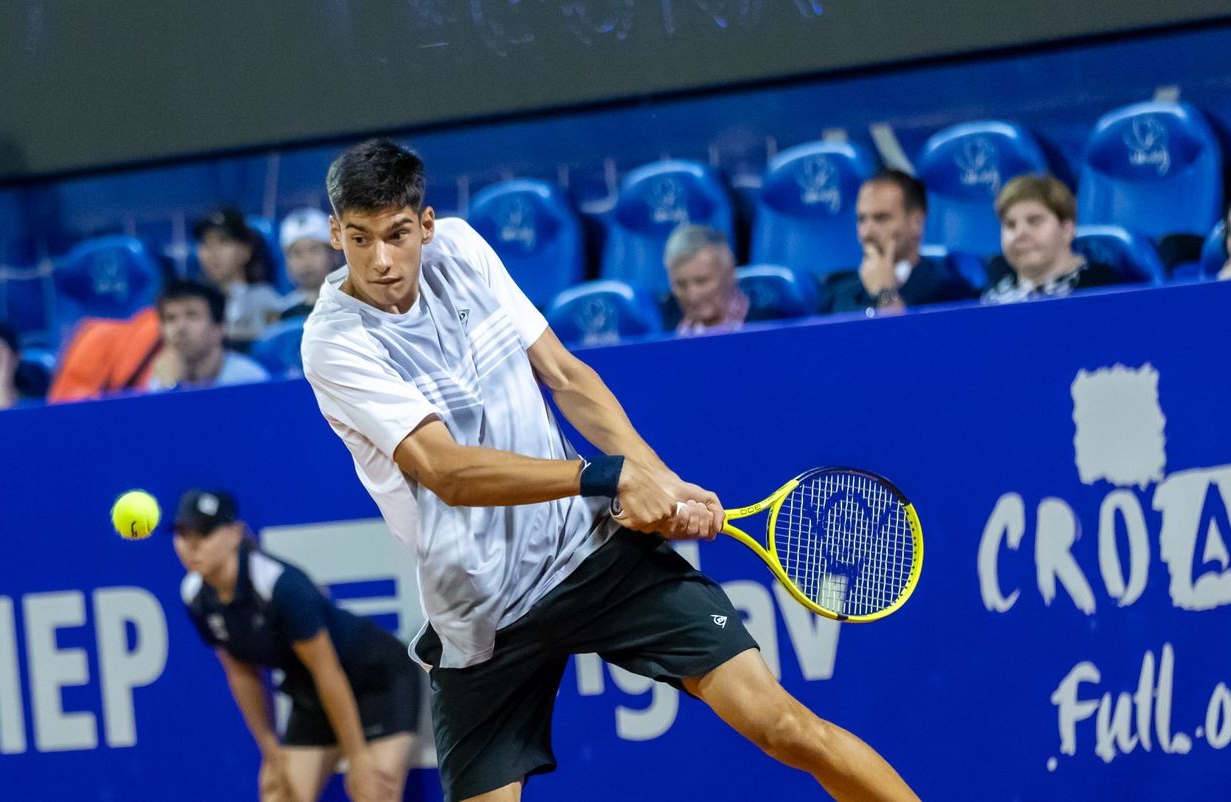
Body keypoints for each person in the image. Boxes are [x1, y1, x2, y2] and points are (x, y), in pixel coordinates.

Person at [301, 139, 918, 802]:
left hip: (593, 555)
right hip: (482, 612)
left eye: (397, 234)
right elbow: (444, 471)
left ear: (424, 224)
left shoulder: (462, 249)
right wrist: (607, 477)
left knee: (786, 727)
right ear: (337, 233)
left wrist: (658, 478)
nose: (383, 260)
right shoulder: (334, 342)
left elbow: (565, 376)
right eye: (361, 239)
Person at [173, 488, 420, 802]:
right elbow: (241, 674)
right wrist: (271, 751)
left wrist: (357, 758)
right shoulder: (195, 595)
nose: (191, 545)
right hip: (314, 692)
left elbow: (327, 671)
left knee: (375, 792)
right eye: (182, 534)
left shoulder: (280, 586)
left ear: (235, 534)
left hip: (377, 680)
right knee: (279, 794)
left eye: (204, 533)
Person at [819, 169, 975, 315]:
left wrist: (884, 293)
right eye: (861, 220)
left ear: (917, 222)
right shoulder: (836, 293)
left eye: (881, 218)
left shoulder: (949, 291)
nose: (866, 233)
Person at [980, 175, 1127, 304]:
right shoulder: (984, 296)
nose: (1020, 233)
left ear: (1066, 229)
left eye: (1034, 221)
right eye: (1010, 225)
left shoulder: (1105, 288)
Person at [147, 280, 269, 391]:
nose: (180, 328)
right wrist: (171, 385)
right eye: (170, 318)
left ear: (219, 328)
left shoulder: (249, 379)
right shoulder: (161, 380)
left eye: (192, 316)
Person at [194, 208, 286, 346]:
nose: (213, 253)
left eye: (223, 241)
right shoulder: (196, 303)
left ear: (245, 251)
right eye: (206, 243)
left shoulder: (264, 298)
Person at [660, 225, 755, 335]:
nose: (692, 296)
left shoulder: (768, 320)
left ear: (730, 274)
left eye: (701, 281)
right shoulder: (664, 328)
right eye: (681, 285)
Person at [279, 208, 338, 320]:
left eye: (314, 250)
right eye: (297, 253)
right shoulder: (284, 312)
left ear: (333, 255)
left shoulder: (353, 304)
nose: (306, 261)